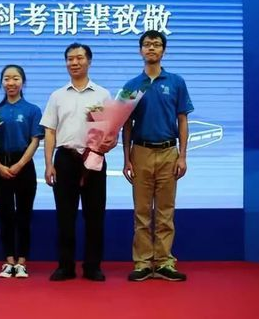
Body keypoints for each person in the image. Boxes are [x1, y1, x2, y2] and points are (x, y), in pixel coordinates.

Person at [123, 30, 193, 282]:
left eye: (156, 44)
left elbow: (182, 120)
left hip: (168, 153)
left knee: (165, 211)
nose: (151, 48)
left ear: (164, 50)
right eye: (146, 44)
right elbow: (126, 124)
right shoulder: (132, 85)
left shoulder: (176, 82)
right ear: (140, 50)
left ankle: (164, 262)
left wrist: (182, 156)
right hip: (140, 152)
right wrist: (126, 159)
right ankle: (142, 262)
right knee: (141, 212)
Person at [41, 43, 114, 282]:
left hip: (94, 158)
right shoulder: (57, 95)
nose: (74, 62)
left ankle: (93, 267)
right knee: (65, 216)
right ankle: (65, 266)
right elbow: (50, 131)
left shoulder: (102, 94)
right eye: (70, 59)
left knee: (95, 215)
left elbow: (111, 130)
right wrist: (49, 164)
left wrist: (109, 144)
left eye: (79, 58)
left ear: (89, 61)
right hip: (65, 159)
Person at [0, 65, 43, 278]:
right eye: (7, 78)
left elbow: (35, 140)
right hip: (0, 166)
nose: (11, 83)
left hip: (24, 166)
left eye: (15, 78)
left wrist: (20, 164)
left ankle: (22, 262)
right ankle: (8, 261)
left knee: (24, 215)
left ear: (23, 82)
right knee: (5, 214)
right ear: (2, 82)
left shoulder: (32, 110)